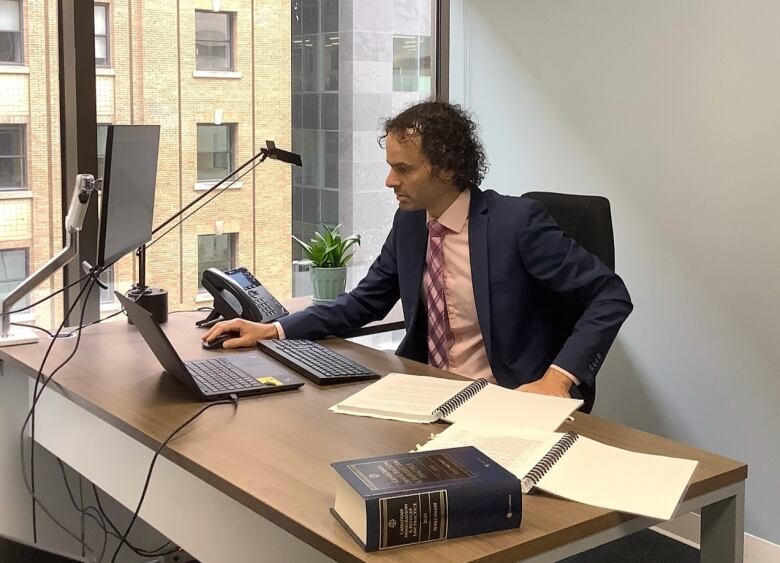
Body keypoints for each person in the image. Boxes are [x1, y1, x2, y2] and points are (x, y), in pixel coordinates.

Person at [203, 101, 632, 409]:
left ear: (447, 168)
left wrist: (558, 380)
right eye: (390, 166)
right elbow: (364, 301)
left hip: (506, 399)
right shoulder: (411, 224)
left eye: (403, 169)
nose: (390, 180)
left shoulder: (516, 223)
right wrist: (274, 330)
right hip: (429, 395)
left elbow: (609, 294)